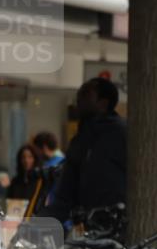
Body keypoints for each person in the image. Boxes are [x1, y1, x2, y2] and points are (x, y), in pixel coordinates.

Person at [39, 78, 126, 235]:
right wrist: (42, 223)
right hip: (87, 227)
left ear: (103, 103)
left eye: (86, 93)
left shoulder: (122, 134)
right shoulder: (81, 139)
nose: (79, 98)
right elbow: (66, 190)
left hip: (120, 227)